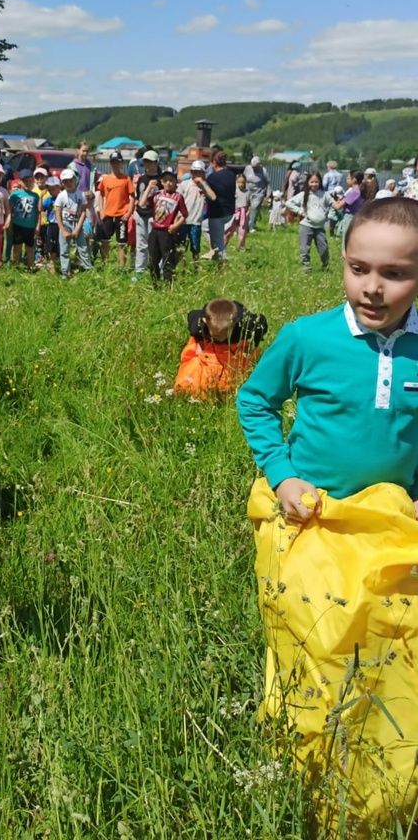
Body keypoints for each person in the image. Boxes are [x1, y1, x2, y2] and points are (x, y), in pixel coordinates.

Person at [237, 197, 418, 830]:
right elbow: (255, 402)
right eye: (358, 267)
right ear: (340, 263)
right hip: (310, 525)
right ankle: (306, 771)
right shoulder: (307, 338)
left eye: (395, 274)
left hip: (392, 531)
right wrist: (282, 475)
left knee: (393, 652)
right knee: (317, 652)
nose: (373, 287)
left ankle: (381, 783)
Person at [174, 298, 267, 398]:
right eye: (216, 335)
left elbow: (261, 327)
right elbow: (191, 315)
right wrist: (200, 346)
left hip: (235, 347)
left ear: (234, 323)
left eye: (225, 333)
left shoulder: (246, 325)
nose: (221, 338)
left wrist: (256, 341)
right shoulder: (198, 324)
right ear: (205, 321)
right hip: (210, 346)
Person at [143, 169, 187, 285]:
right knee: (153, 260)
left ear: (176, 182)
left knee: (167, 260)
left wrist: (175, 226)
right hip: (155, 231)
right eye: (166, 180)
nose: (168, 183)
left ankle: (168, 286)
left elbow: (185, 215)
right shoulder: (156, 195)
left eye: (171, 180)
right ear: (161, 182)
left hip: (167, 232)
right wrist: (149, 188)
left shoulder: (178, 197)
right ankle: (155, 283)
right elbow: (142, 203)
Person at [285, 171, 332, 271]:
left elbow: (333, 203)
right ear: (308, 183)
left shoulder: (324, 194)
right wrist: (300, 211)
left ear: (320, 182)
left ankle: (326, 265)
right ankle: (306, 267)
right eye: (312, 182)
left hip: (319, 227)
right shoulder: (303, 195)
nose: (314, 184)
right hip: (306, 226)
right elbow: (289, 203)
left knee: (323, 248)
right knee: (305, 248)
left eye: (316, 182)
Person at [96, 152, 135, 269]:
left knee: (121, 243)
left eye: (117, 162)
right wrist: (102, 211)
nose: (115, 164)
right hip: (108, 215)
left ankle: (122, 268)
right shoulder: (106, 179)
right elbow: (101, 195)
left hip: (121, 215)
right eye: (113, 162)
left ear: (121, 163)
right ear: (110, 163)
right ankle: (104, 265)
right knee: (105, 241)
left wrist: (128, 213)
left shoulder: (126, 179)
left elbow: (132, 197)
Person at [55, 169, 92, 279]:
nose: (68, 183)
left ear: (75, 180)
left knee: (83, 248)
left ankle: (88, 270)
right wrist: (63, 230)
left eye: (70, 180)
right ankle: (65, 273)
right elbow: (57, 214)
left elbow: (84, 212)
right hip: (65, 224)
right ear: (62, 183)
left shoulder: (81, 194)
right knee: (64, 250)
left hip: (77, 224)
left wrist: (77, 229)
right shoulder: (61, 196)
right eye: (65, 181)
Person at [178, 160, 214, 264]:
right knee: (181, 247)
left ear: (203, 173)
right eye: (194, 172)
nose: (196, 175)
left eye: (199, 172)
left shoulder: (205, 186)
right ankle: (181, 266)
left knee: (195, 247)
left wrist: (203, 184)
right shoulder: (185, 184)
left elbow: (213, 197)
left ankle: (196, 267)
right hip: (183, 221)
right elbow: (177, 201)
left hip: (196, 222)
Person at [133, 149, 161, 277]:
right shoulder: (142, 179)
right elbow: (139, 198)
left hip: (154, 215)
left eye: (150, 162)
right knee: (141, 244)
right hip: (141, 213)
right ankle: (139, 270)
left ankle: (155, 268)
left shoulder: (161, 180)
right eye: (145, 162)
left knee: (154, 245)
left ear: (156, 163)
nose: (148, 165)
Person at [205, 150, 235, 260]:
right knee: (218, 238)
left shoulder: (212, 178)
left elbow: (208, 195)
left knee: (218, 244)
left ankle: (222, 267)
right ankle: (217, 257)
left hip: (217, 213)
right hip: (230, 213)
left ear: (214, 162)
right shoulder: (231, 175)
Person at [333, 169, 366, 243]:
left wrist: (329, 201)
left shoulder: (354, 192)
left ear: (354, 180)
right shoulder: (356, 190)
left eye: (348, 178)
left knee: (347, 240)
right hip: (353, 216)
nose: (346, 180)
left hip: (350, 217)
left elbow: (339, 206)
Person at [243, 155, 271, 232]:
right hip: (248, 191)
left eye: (255, 167)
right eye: (253, 167)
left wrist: (268, 194)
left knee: (254, 208)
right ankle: (245, 225)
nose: (253, 168)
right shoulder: (248, 168)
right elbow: (243, 178)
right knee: (245, 208)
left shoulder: (263, 171)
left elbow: (268, 183)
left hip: (259, 193)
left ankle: (251, 226)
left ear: (259, 165)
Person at [224, 172, 250, 251]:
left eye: (242, 182)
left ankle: (240, 247)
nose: (241, 184)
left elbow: (249, 204)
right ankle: (223, 246)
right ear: (236, 182)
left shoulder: (247, 192)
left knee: (242, 233)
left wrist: (247, 213)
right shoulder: (234, 191)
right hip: (234, 213)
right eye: (239, 182)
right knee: (229, 232)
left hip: (243, 214)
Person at [42, 176, 61, 273]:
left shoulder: (63, 197)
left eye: (53, 188)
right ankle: (52, 264)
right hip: (52, 225)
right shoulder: (48, 200)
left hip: (61, 225)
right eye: (49, 189)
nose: (51, 190)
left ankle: (62, 264)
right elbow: (40, 208)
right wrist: (41, 196)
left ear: (59, 187)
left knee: (61, 245)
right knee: (52, 245)